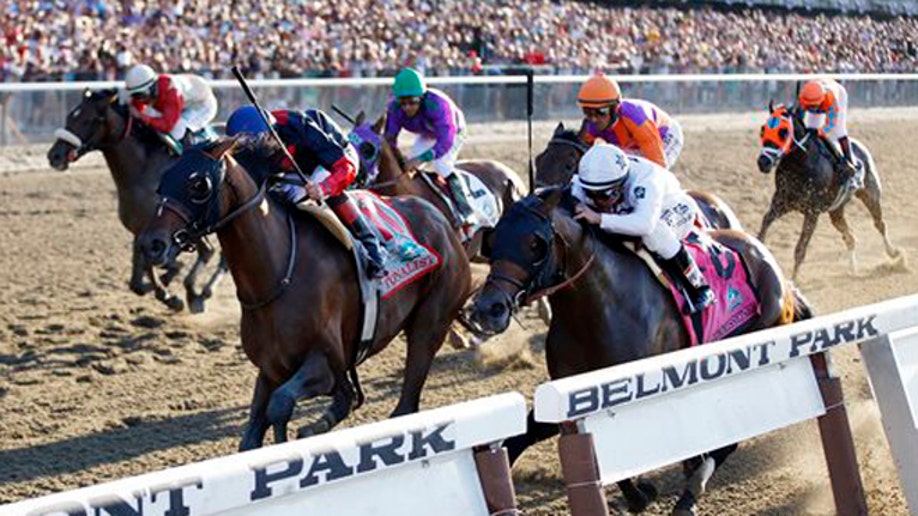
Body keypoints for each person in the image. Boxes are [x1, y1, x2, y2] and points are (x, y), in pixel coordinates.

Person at [225, 105, 387, 278]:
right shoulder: (248, 149)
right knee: (281, 202)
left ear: (271, 131)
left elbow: (345, 166)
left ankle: (373, 245)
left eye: (266, 141)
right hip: (296, 167)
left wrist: (324, 188)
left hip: (335, 157)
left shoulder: (299, 126)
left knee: (320, 180)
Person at [571, 143, 714, 314]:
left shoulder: (646, 180)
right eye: (590, 194)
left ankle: (698, 287)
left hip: (671, 206)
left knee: (654, 233)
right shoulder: (587, 181)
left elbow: (645, 224)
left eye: (604, 195)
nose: (598, 201)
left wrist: (599, 218)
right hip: (630, 210)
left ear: (622, 183)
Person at [384, 67, 475, 226]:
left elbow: (445, 141)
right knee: (409, 166)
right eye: (403, 103)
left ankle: (466, 209)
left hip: (453, 132)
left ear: (422, 97)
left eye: (412, 102)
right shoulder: (394, 108)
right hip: (426, 132)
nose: (407, 107)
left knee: (442, 165)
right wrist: (398, 157)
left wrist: (421, 158)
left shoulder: (438, 105)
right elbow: (390, 139)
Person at [576, 73, 683, 170]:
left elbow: (658, 167)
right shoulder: (590, 126)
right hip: (632, 144)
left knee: (645, 173)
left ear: (615, 108)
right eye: (587, 111)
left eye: (601, 111)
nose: (594, 119)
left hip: (664, 136)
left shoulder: (636, 118)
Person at [124, 64, 217, 154]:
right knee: (148, 115)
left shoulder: (172, 92)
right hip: (184, 102)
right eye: (135, 96)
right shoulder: (145, 89)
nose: (140, 100)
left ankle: (187, 157)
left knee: (177, 129)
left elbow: (167, 125)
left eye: (141, 95)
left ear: (152, 88)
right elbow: (136, 109)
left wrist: (142, 117)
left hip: (202, 105)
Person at [797, 78, 862, 191]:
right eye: (810, 106)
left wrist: (821, 131)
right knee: (811, 129)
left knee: (839, 131)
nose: (812, 109)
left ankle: (851, 164)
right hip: (819, 95)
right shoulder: (804, 97)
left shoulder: (832, 100)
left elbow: (831, 124)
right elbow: (799, 119)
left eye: (814, 106)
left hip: (838, 96)